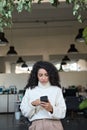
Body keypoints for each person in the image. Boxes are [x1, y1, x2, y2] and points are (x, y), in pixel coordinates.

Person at [20, 61, 66, 130]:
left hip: (54, 125)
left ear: (51, 75)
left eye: (46, 75)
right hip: (36, 125)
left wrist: (51, 109)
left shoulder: (56, 90)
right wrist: (32, 104)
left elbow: (63, 112)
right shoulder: (30, 90)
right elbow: (24, 112)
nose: (43, 78)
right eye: (40, 75)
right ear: (36, 75)